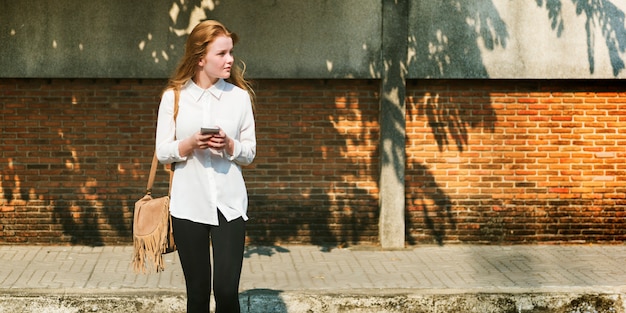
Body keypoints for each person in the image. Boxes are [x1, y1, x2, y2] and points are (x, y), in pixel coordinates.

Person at [155, 20, 256, 313]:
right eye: (222, 54)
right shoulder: (173, 97)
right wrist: (188, 145)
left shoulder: (238, 98)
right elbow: (162, 151)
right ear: (200, 58)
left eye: (230, 52)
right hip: (189, 206)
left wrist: (229, 146)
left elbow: (249, 153)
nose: (231, 60)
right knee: (198, 294)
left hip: (230, 206)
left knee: (225, 291)